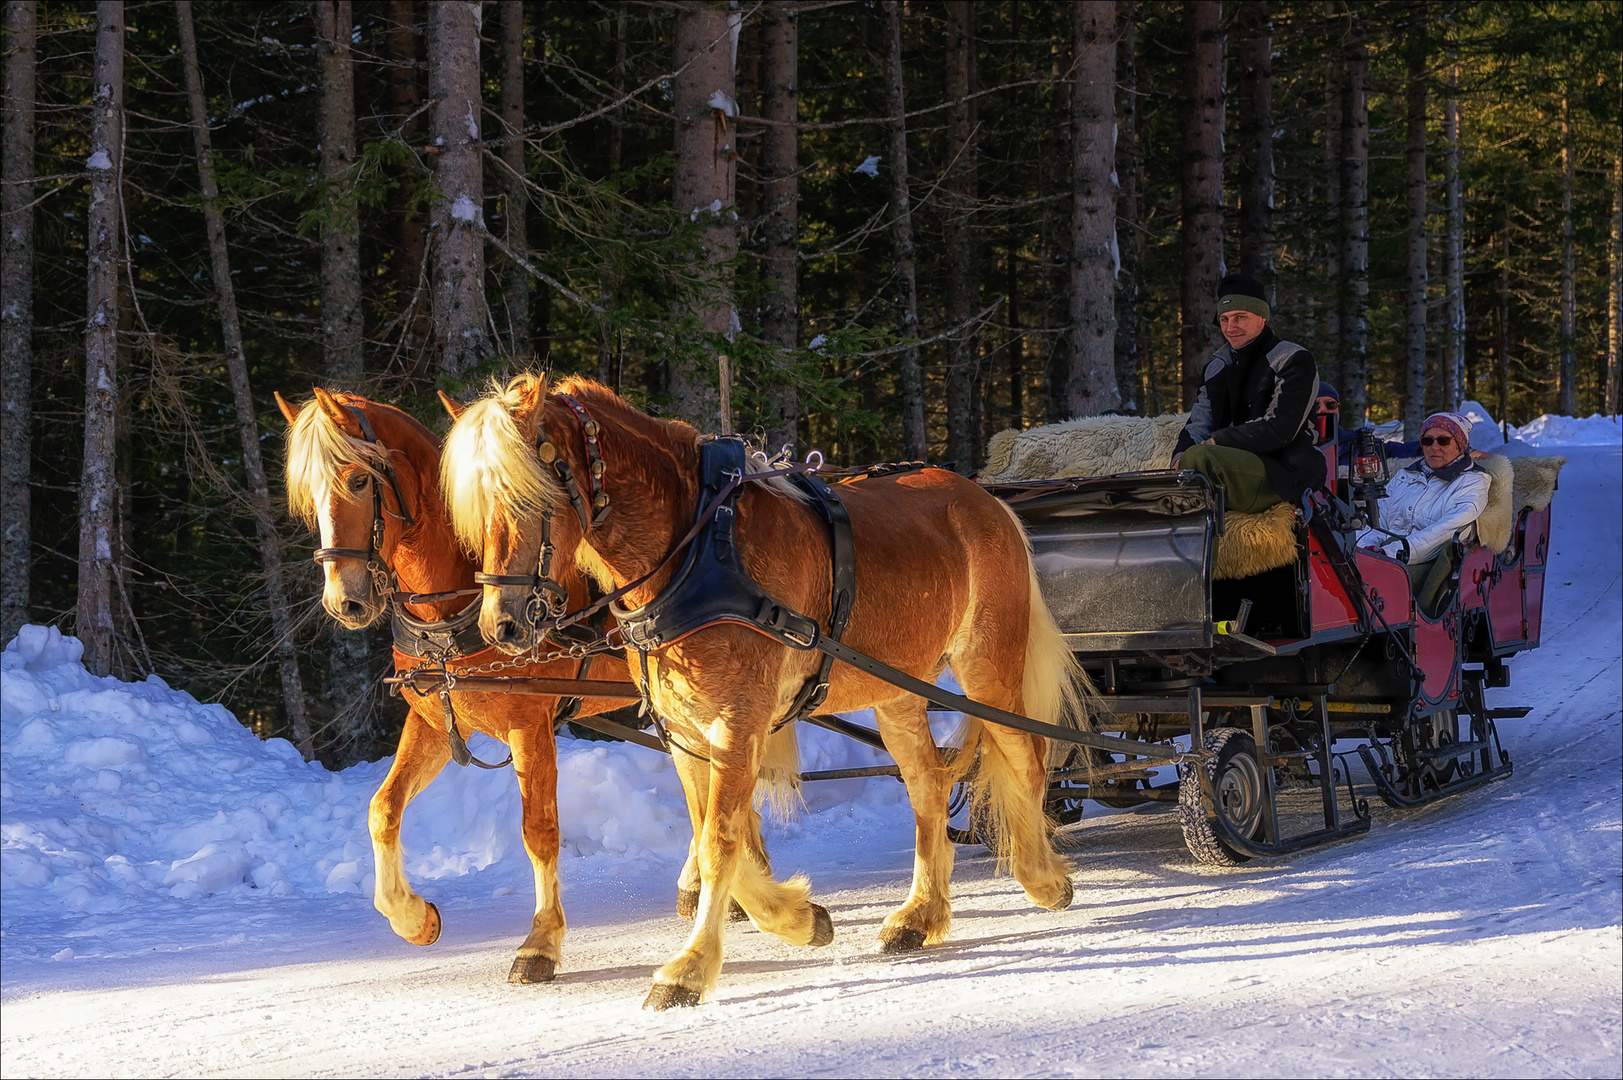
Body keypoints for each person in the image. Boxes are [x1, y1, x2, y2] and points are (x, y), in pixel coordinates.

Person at [1171, 273, 1325, 513]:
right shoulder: (1216, 367)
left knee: (1200, 459)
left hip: (1283, 472)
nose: (1230, 328)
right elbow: (1198, 423)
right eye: (1224, 319)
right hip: (1227, 465)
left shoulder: (1292, 359)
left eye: (1240, 318)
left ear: (1262, 317)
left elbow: (1280, 428)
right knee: (1183, 464)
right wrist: (1179, 457)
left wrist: (1216, 442)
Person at [1357, 411, 1491, 613]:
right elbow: (1378, 520)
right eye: (1428, 441)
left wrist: (1391, 553)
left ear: (1460, 445)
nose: (1434, 447)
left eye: (1444, 440)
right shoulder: (1406, 475)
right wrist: (1366, 547)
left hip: (1426, 562)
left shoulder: (1473, 482)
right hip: (1388, 558)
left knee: (1369, 583)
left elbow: (1444, 532)